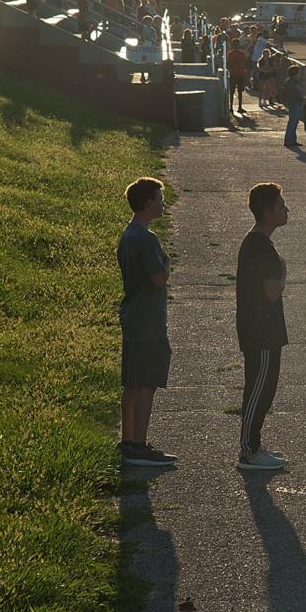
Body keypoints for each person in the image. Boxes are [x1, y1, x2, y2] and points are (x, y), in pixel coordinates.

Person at [116, 178, 177, 466]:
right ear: (148, 203)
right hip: (148, 319)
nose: (162, 203)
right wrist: (166, 262)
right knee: (146, 383)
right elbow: (158, 278)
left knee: (131, 382)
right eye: (159, 198)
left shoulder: (127, 235)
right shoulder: (146, 239)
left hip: (132, 315)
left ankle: (127, 440)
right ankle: (139, 444)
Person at [236, 182, 291, 470]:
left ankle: (253, 444)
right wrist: (283, 272)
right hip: (262, 331)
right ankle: (249, 450)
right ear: (268, 212)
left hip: (258, 329)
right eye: (281, 206)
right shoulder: (262, 248)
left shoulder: (256, 241)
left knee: (261, 388)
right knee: (260, 389)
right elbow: (271, 292)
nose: (286, 210)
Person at [280, 64, 305, 147]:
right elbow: (290, 95)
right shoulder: (290, 82)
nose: (300, 75)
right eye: (298, 73)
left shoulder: (295, 82)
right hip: (294, 104)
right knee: (292, 122)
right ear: (295, 73)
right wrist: (300, 98)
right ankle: (288, 140)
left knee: (295, 123)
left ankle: (293, 140)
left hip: (297, 103)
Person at [227, 39, 250, 114]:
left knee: (240, 92)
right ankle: (231, 107)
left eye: (237, 44)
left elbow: (245, 64)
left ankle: (239, 106)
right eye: (235, 44)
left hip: (240, 74)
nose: (237, 45)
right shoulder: (231, 54)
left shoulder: (241, 53)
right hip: (234, 74)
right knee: (232, 91)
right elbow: (229, 64)